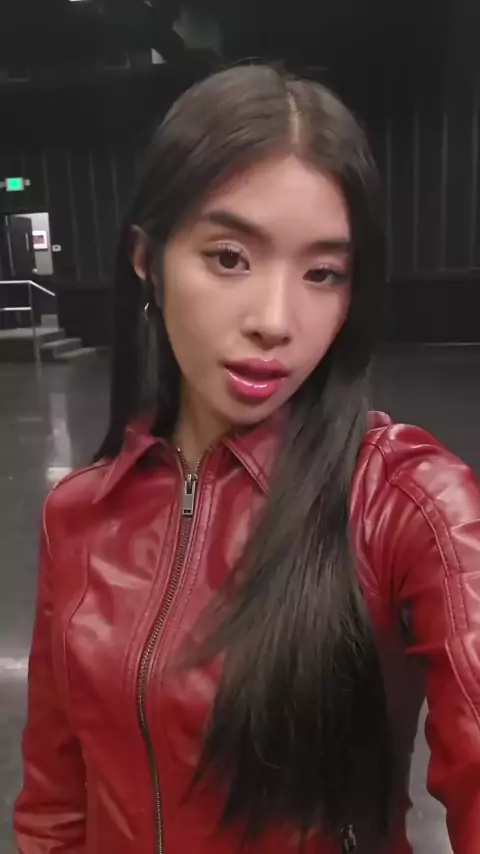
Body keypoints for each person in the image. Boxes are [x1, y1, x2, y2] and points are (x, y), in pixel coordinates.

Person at [14, 64, 480, 854]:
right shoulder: (80, 515)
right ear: (147, 259)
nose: (275, 319)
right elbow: (56, 809)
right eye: (230, 257)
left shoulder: (406, 503)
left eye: (323, 273)